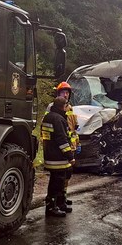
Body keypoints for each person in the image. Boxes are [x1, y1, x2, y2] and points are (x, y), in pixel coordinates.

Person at [46, 81, 80, 209]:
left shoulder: (69, 107)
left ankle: (62, 198)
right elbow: (53, 130)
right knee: (59, 177)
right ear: (58, 94)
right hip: (60, 147)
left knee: (67, 175)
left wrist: (77, 143)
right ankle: (56, 201)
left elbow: (73, 128)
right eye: (63, 92)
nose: (65, 95)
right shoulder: (53, 108)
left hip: (69, 145)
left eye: (67, 93)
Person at [41, 96, 75, 217]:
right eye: (67, 105)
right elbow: (62, 140)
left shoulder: (48, 117)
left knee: (59, 181)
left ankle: (60, 204)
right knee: (57, 183)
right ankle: (51, 207)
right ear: (63, 106)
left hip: (50, 154)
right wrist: (70, 156)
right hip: (58, 157)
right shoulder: (58, 119)